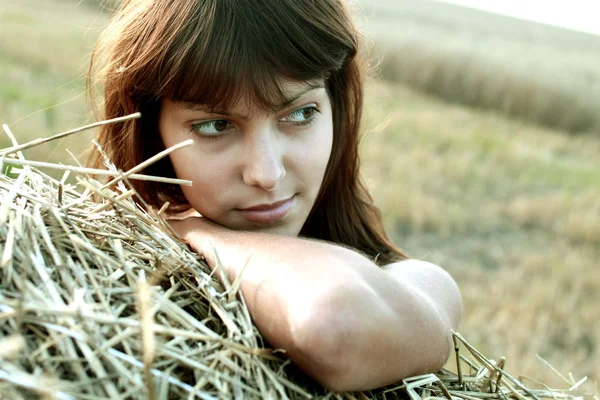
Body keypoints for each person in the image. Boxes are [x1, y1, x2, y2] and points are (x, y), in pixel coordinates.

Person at [88, 0, 463, 392]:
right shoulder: (93, 275)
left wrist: (193, 229)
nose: (267, 174)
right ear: (152, 134)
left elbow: (337, 326)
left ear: (335, 109)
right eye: (216, 125)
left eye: (300, 114)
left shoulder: (412, 285)